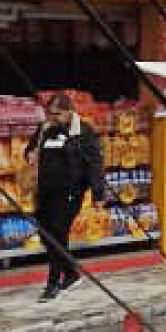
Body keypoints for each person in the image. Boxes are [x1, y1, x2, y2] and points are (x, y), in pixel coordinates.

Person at [33, 92, 105, 300]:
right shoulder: (46, 129)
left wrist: (98, 194)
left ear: (70, 112)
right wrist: (29, 153)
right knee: (46, 235)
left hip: (70, 193)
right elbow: (31, 148)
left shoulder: (84, 132)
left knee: (57, 234)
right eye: (50, 113)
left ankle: (53, 281)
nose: (53, 118)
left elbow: (95, 165)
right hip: (46, 191)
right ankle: (71, 273)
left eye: (58, 114)